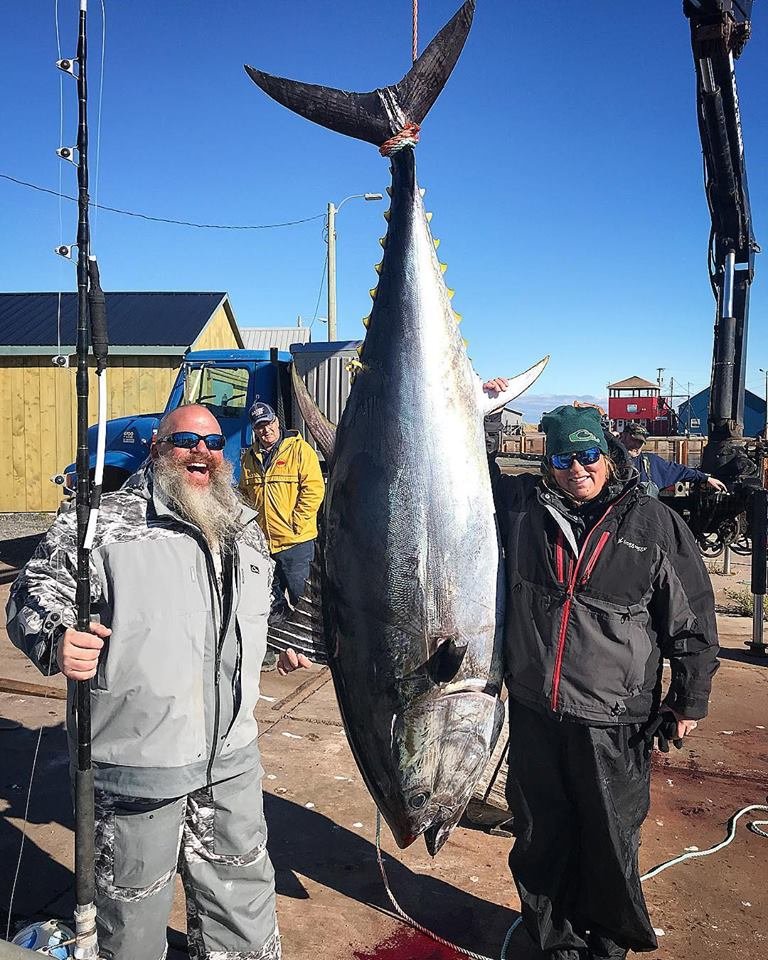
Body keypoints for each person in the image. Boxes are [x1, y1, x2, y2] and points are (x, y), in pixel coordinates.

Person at [7, 404, 282, 960]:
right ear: (157, 448)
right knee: (130, 923)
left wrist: (284, 641)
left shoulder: (244, 528)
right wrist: (57, 638)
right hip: (139, 766)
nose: (202, 451)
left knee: (244, 911)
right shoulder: (99, 521)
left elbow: (254, 616)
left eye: (213, 442)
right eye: (186, 440)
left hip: (230, 762)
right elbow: (30, 593)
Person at [482, 387, 719, 960]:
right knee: (539, 836)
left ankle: (608, 942)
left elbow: (692, 616)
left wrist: (689, 699)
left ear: (607, 455)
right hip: (536, 709)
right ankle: (554, 940)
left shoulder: (653, 523)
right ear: (547, 462)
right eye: (563, 458)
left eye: (587, 455)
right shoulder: (521, 509)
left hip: (613, 717)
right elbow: (462, 471)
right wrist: (480, 414)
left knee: (610, 837)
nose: (577, 469)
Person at [239, 401, 324, 624]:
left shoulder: (300, 450)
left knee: (304, 600)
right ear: (254, 429)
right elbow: (244, 495)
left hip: (295, 544)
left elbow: (314, 489)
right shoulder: (249, 458)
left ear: (277, 422)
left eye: (269, 423)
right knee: (270, 601)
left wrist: (297, 523)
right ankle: (277, 638)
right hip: (264, 545)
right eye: (260, 426)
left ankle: (309, 641)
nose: (266, 430)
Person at [619, 422, 727, 497]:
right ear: (623, 436)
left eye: (640, 442)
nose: (636, 445)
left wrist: (706, 479)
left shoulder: (651, 462)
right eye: (633, 440)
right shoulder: (611, 462)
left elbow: (680, 471)